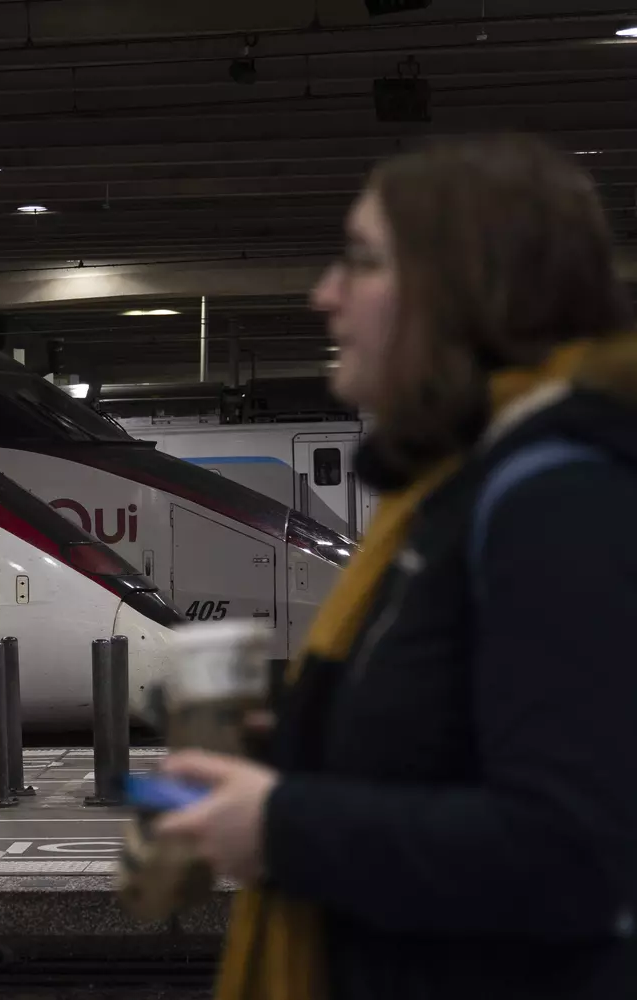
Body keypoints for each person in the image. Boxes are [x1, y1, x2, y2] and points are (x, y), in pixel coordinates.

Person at [152, 133, 637, 999]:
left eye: (364, 264)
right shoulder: (444, 496)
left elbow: (574, 850)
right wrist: (297, 747)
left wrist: (280, 825)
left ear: (466, 292)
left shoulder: (555, 500)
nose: (325, 295)